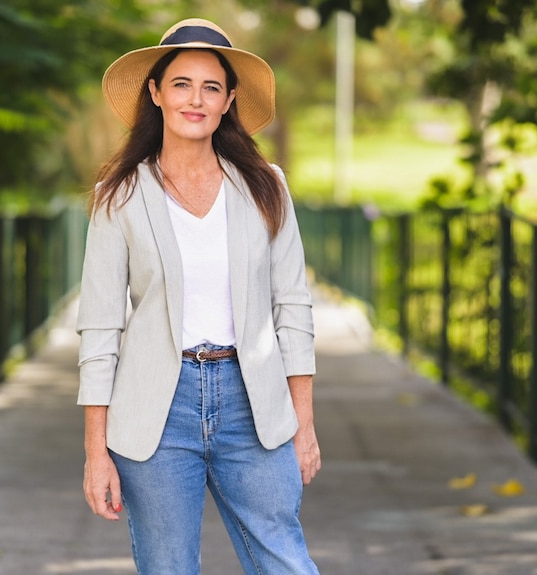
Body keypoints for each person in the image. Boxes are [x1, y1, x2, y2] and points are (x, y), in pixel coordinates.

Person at [76, 17, 321, 574]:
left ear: (229, 100)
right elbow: (99, 329)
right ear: (156, 93)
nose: (196, 99)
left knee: (285, 560)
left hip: (251, 401)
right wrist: (95, 452)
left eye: (212, 87)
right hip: (156, 412)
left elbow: (293, 308)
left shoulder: (265, 185)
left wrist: (303, 423)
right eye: (181, 83)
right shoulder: (118, 196)